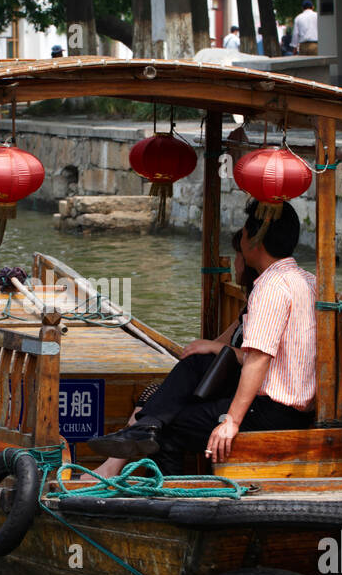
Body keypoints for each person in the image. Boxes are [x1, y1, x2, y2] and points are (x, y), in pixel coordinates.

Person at [88, 200, 317, 474]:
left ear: (254, 240)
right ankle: (146, 427)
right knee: (196, 366)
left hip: (270, 411)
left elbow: (257, 360)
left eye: (244, 231)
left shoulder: (271, 287)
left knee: (169, 428)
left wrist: (231, 421)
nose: (241, 237)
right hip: (285, 405)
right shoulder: (309, 281)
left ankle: (171, 497)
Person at [90, 228, 258, 479]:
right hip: (220, 384)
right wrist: (204, 348)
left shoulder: (268, 299)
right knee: (155, 395)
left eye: (237, 256)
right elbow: (218, 343)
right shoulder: (249, 306)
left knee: (163, 417)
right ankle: (115, 466)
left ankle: (118, 469)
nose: (234, 263)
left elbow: (252, 357)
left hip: (239, 391)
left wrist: (213, 349)